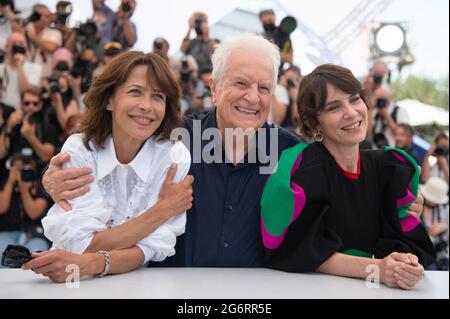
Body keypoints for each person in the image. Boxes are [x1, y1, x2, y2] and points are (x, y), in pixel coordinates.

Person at [40, 34, 425, 268]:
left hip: (260, 297)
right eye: (240, 83)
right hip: (173, 292)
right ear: (214, 87)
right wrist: (52, 178)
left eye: (263, 87)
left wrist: (398, 198)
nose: (252, 98)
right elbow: (111, 159)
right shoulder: (171, 141)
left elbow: (348, 197)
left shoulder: (293, 154)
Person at [22, 51, 193, 283]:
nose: (146, 106)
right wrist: (161, 211)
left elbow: (152, 247)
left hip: (136, 284)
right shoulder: (79, 150)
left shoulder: (174, 156)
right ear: (109, 100)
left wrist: (91, 262)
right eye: (135, 92)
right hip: (70, 282)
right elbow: (82, 245)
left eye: (158, 96)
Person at [261, 64, 435, 290]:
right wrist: (376, 269)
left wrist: (405, 265)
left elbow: (406, 245)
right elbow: (300, 249)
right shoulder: (302, 168)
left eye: (355, 99)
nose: (351, 113)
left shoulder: (388, 167)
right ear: (314, 123)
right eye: (334, 107)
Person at [0, 153, 51, 260]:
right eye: (18, 170)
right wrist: (10, 182)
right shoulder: (4, 183)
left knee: (36, 255)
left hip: (34, 235)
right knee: (2, 255)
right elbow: (1, 207)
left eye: (26, 170)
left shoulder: (40, 186)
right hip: (7, 233)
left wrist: (24, 189)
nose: (22, 173)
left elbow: (33, 213)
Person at [0, 32, 42, 110]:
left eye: (21, 44)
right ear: (6, 47)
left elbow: (27, 92)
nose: (18, 46)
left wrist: (19, 66)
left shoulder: (35, 68)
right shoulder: (1, 68)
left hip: (23, 112)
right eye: (14, 43)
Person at [420, 177, 449, 270]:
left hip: (441, 251)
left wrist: (444, 228)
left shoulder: (445, 209)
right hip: (423, 251)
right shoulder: (418, 206)